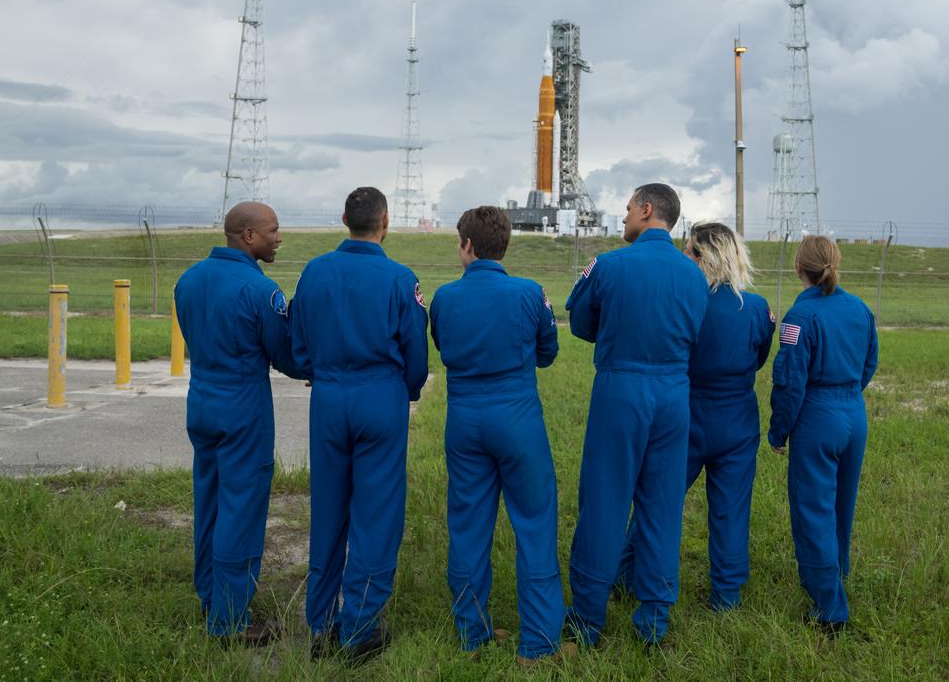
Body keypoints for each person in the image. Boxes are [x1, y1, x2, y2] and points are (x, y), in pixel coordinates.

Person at [563, 183, 709, 646]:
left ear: (648, 210)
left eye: (628, 209)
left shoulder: (609, 264)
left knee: (605, 501)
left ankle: (587, 619)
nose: (623, 217)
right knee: (663, 505)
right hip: (673, 394)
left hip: (621, 388)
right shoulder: (694, 276)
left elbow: (583, 322)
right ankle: (654, 619)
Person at [290, 187, 429, 664]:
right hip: (380, 396)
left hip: (329, 396)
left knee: (328, 509)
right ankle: (361, 629)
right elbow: (416, 354)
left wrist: (318, 373)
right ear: (384, 222)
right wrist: (405, 391)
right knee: (376, 512)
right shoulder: (399, 277)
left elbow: (297, 340)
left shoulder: (313, 271)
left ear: (343, 219)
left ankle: (321, 625)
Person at [428, 206, 572, 665]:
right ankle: (540, 643)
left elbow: (443, 346)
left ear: (468, 245)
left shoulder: (445, 297)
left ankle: (473, 633)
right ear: (504, 244)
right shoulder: (530, 293)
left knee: (468, 526)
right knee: (534, 524)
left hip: (465, 418)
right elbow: (548, 352)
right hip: (517, 417)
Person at [614, 221, 775, 611]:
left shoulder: (687, 301)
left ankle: (626, 576)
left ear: (704, 256)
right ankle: (727, 594)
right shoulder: (756, 308)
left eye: (689, 250)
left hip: (688, 414)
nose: (683, 256)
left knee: (658, 501)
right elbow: (759, 357)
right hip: (737, 417)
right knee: (732, 508)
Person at [174, 201, 307, 645]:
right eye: (272, 230)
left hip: (201, 400)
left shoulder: (188, 280)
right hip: (243, 406)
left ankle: (210, 596)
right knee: (241, 508)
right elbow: (285, 356)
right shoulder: (258, 290)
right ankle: (230, 620)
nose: (279, 237)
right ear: (248, 236)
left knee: (208, 501)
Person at [767, 235, 878, 635]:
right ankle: (835, 574)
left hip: (818, 414)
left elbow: (790, 381)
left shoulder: (800, 317)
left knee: (813, 509)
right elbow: (870, 362)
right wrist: (847, 395)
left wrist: (779, 431)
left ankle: (830, 608)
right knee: (841, 506)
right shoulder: (860, 308)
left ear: (799, 268)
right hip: (853, 412)